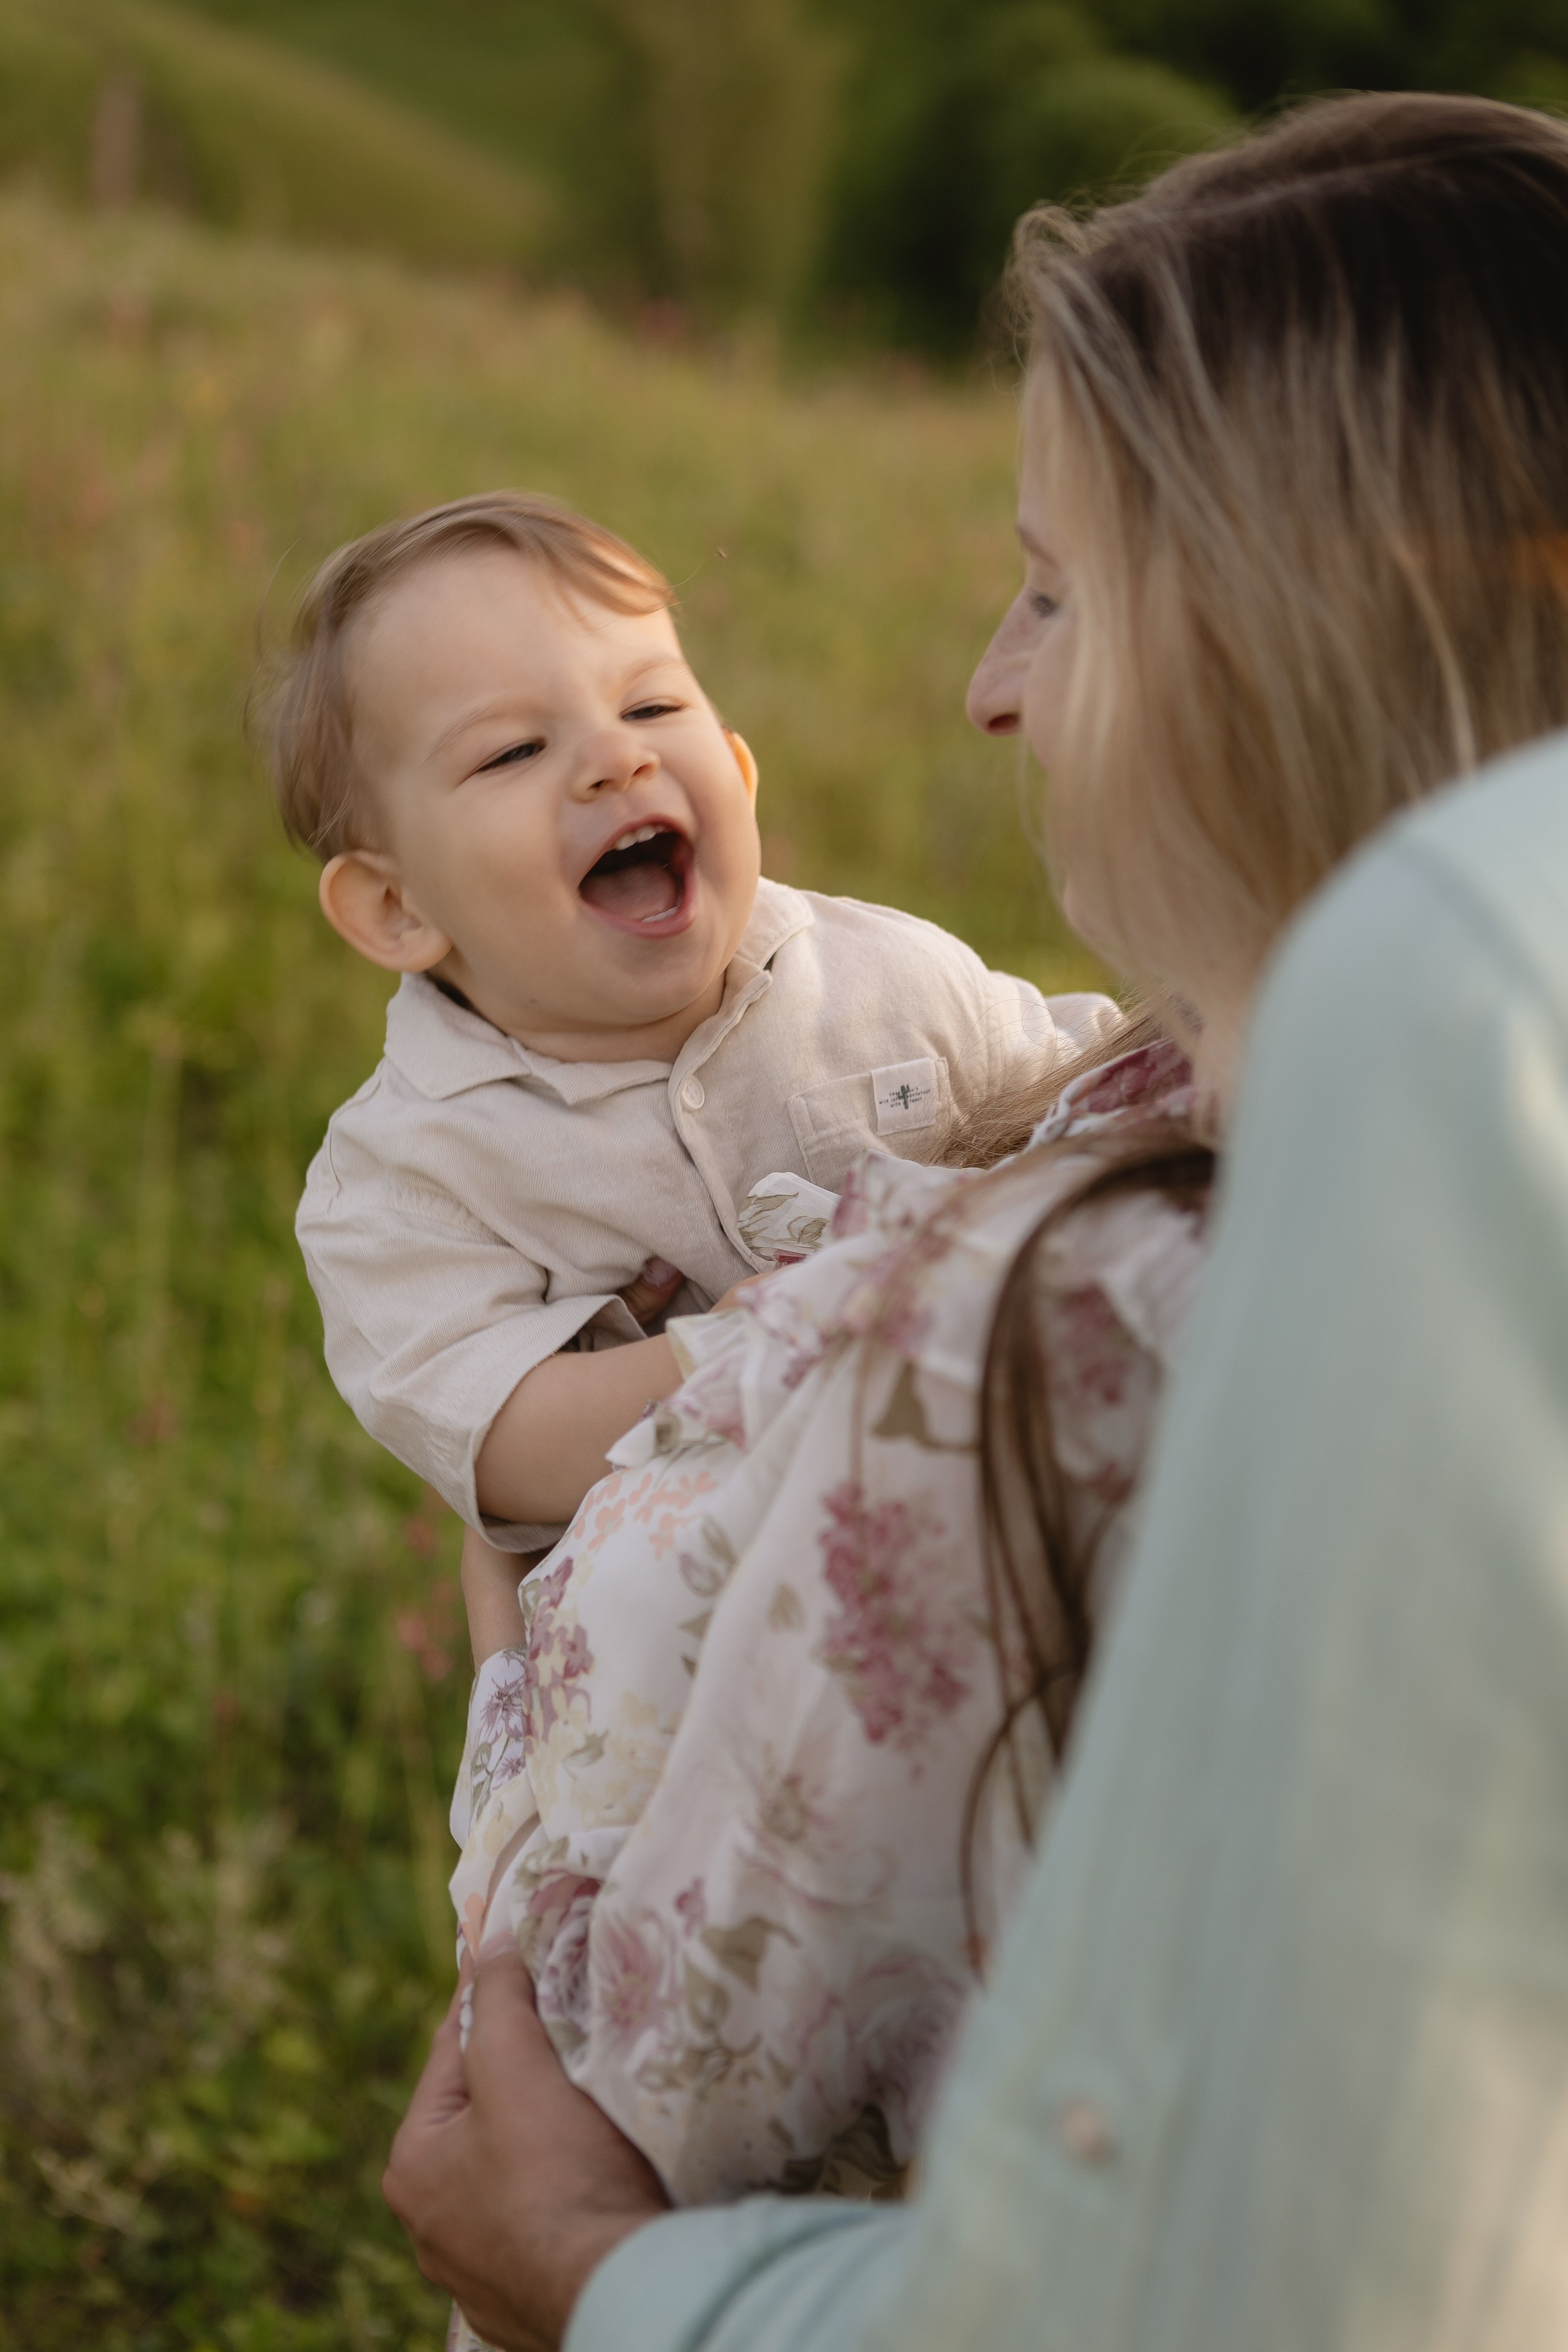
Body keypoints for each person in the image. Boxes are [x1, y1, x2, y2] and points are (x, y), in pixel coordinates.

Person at [383, 89, 1568, 2350]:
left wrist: (596, 2279)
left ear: (1284, 644)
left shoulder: (1073, 1314)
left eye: (1055, 585)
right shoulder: (1175, 1086)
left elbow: (641, 2054)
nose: (990, 684)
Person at [267, 491, 1111, 1568]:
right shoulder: (406, 1180)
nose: (616, 760)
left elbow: (1089, 1104)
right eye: (515, 751)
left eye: (654, 708)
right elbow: (503, 1438)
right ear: (399, 909)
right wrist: (750, 1345)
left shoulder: (887, 979)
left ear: (740, 772)